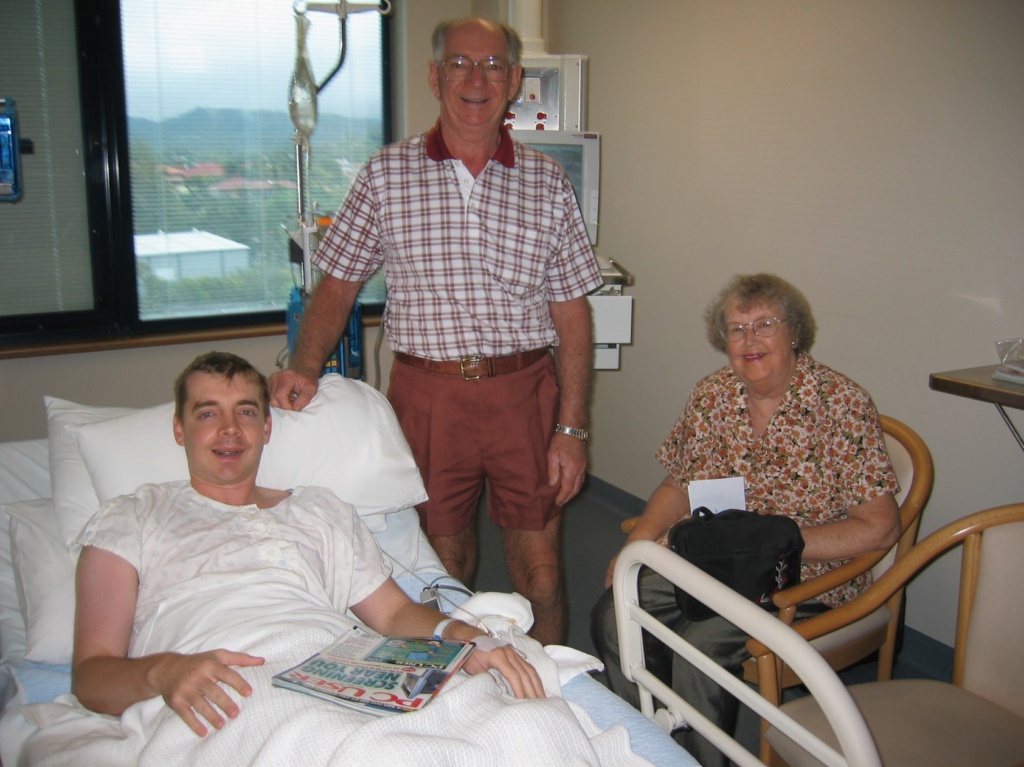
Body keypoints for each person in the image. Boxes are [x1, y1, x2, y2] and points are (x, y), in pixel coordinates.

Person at [269, 17, 603, 646]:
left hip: (525, 395)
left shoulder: (547, 183)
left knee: (541, 574)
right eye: (459, 63)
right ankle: (457, 702)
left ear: (513, 82)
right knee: (445, 571)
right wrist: (304, 367)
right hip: (428, 398)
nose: (476, 79)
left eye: (493, 66)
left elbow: (571, 312)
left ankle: (561, 697)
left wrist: (572, 426)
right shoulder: (385, 175)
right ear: (434, 75)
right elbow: (337, 283)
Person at [72, 351, 544, 739]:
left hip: (340, 668)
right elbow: (92, 675)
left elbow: (395, 615)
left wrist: (459, 636)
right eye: (208, 413)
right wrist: (163, 673)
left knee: (525, 725)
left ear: (267, 428)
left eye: (246, 412)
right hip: (222, 682)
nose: (230, 429)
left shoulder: (320, 509)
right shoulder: (132, 516)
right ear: (180, 429)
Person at [590, 274, 901, 767]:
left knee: (701, 645)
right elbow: (679, 484)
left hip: (800, 579)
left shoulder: (841, 404)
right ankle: (643, 749)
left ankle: (701, 760)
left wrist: (771, 544)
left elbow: (880, 527)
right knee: (614, 613)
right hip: (713, 562)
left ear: (793, 333)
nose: (749, 341)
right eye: (736, 330)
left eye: (764, 326)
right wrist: (640, 544)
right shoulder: (713, 395)